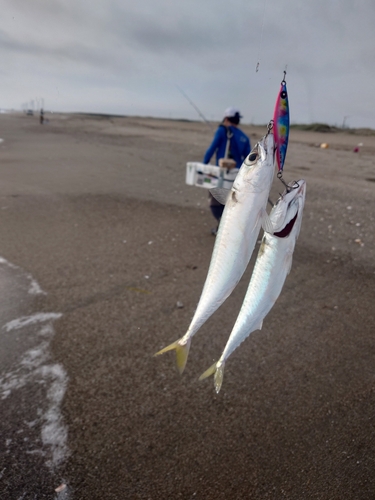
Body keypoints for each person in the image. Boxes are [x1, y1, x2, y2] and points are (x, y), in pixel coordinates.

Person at [203, 107, 251, 234]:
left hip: (223, 173)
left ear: (226, 118)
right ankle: (229, 226)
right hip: (238, 174)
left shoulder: (222, 130)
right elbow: (248, 159)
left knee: (215, 202)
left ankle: (223, 226)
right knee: (231, 202)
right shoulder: (244, 137)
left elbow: (212, 149)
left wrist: (204, 165)